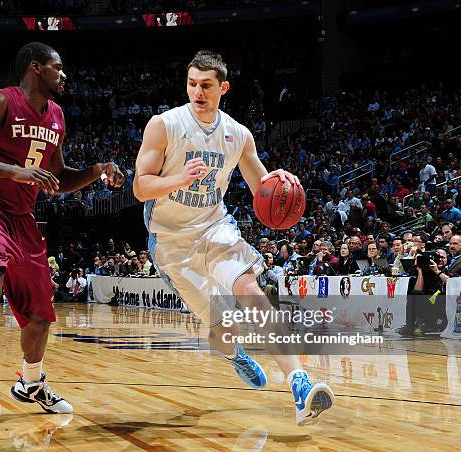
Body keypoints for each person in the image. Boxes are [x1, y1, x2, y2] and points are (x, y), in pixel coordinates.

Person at [0, 42, 124, 444]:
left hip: (23, 218)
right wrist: (13, 171)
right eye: (59, 68)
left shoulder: (56, 117)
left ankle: (31, 384)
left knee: (40, 316)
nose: (65, 75)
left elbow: (55, 182)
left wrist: (97, 170)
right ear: (36, 68)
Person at [133, 51, 333, 426]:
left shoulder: (238, 134)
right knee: (223, 330)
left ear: (223, 87)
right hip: (172, 242)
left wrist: (281, 181)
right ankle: (235, 354)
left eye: (206, 85)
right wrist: (179, 179)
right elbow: (141, 187)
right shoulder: (164, 125)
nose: (198, 91)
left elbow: (262, 187)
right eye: (192, 84)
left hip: (214, 227)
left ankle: (299, 383)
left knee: (249, 289)